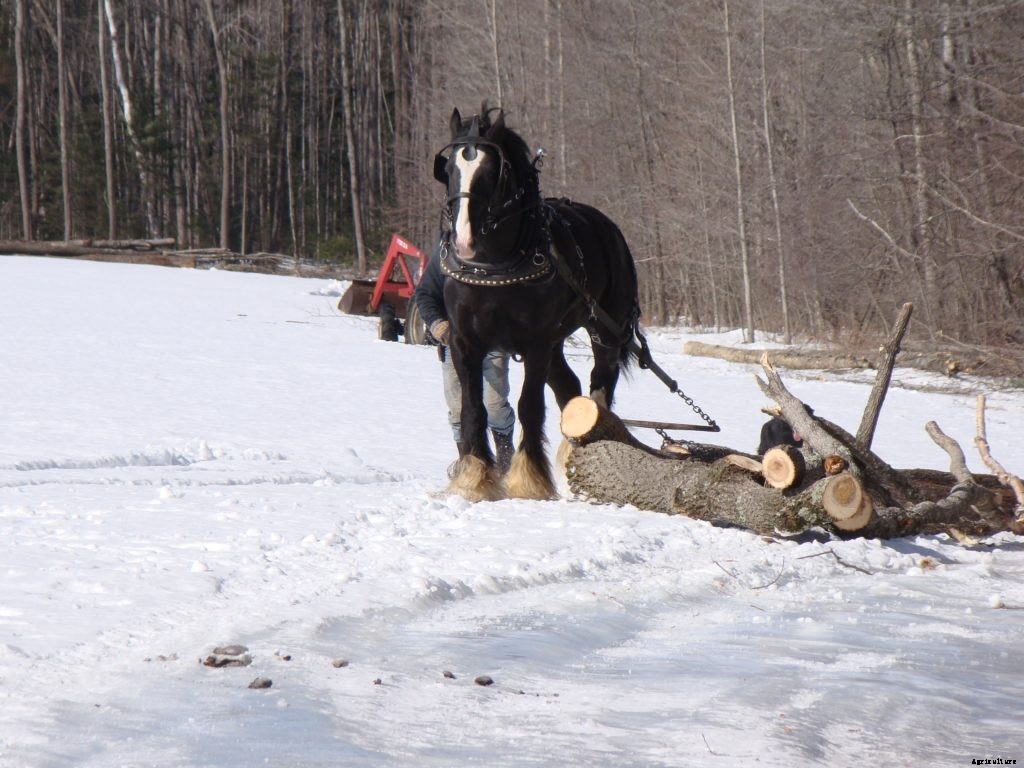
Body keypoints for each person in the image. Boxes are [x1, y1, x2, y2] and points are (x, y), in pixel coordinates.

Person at [412, 242, 516, 473]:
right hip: (456, 343)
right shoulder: (446, 254)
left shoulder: (499, 256)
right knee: (458, 407)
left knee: (495, 405)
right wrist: (438, 325)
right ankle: (469, 465)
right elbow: (425, 293)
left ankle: (506, 461)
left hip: (494, 342)